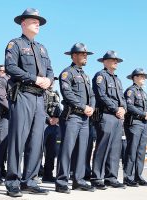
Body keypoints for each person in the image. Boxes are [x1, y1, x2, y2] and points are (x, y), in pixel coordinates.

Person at [4, 8, 54, 197]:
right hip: (23, 94)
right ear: (23, 23)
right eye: (34, 21)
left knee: (36, 140)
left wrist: (48, 80)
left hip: (40, 98)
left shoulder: (42, 48)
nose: (37, 23)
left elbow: (50, 69)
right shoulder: (14, 44)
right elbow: (10, 67)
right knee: (19, 139)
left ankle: (30, 180)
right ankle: (13, 181)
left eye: (38, 21)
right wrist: (34, 78)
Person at [55, 43, 95, 193]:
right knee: (67, 149)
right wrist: (83, 106)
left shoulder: (85, 75)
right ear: (74, 56)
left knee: (82, 150)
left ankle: (78, 180)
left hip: (85, 118)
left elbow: (91, 94)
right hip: (72, 116)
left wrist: (91, 106)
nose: (85, 57)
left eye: (86, 54)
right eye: (82, 54)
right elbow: (68, 94)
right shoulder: (67, 73)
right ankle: (61, 181)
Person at [91, 50, 127, 189]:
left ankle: (111, 177)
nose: (115, 62)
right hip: (106, 115)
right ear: (105, 62)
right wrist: (116, 109)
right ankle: (97, 177)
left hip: (117, 117)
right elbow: (101, 95)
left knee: (115, 148)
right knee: (102, 146)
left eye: (116, 60)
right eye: (113, 60)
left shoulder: (117, 79)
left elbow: (122, 98)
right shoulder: (101, 76)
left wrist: (123, 108)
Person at [123, 68, 147, 187]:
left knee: (141, 151)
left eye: (144, 76)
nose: (144, 78)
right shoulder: (130, 91)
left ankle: (138, 176)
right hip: (134, 123)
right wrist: (143, 114)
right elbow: (129, 106)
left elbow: (146, 108)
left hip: (143, 124)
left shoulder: (143, 93)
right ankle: (128, 177)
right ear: (135, 77)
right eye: (142, 76)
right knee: (132, 150)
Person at [41, 77, 61, 183]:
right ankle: (34, 174)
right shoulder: (41, 92)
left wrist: (57, 118)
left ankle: (48, 174)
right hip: (43, 124)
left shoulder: (56, 94)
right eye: (51, 80)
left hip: (54, 126)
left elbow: (59, 109)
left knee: (51, 152)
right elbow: (39, 108)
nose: (52, 82)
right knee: (38, 151)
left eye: (54, 81)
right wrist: (48, 119)